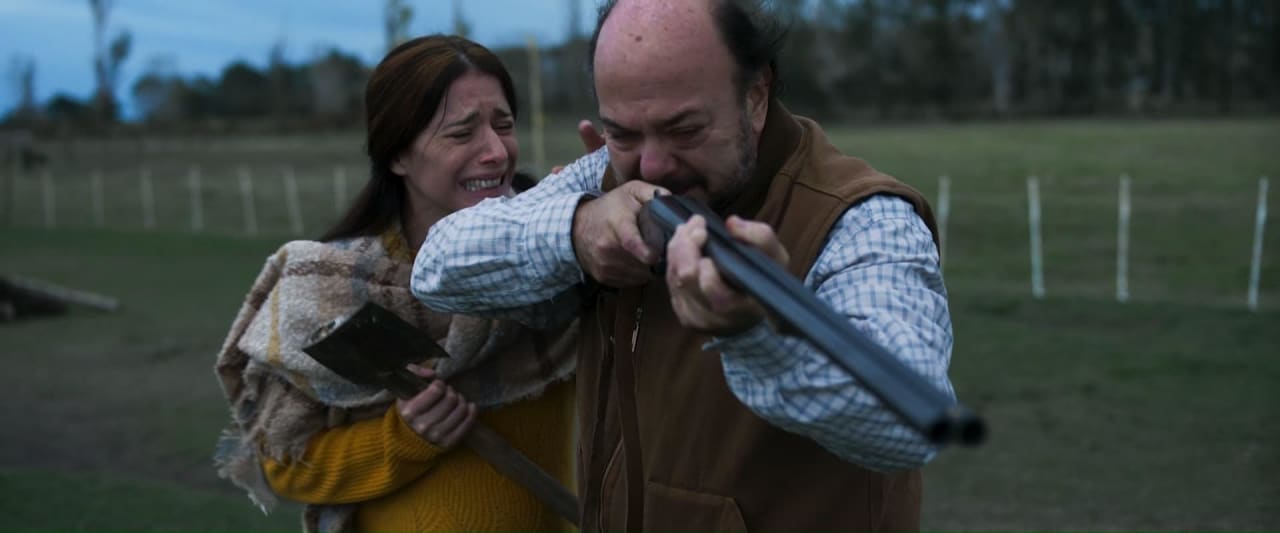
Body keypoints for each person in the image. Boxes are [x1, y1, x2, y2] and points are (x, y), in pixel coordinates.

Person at [412, 1, 959, 531]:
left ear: (757, 96)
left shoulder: (864, 217)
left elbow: (912, 423)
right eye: (622, 132)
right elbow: (437, 266)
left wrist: (755, 336)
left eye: (685, 129)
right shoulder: (607, 176)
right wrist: (577, 231)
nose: (652, 165)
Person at [213, 35, 578, 533]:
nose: (495, 151)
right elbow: (284, 461)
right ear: (398, 154)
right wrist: (403, 438)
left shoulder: (559, 261)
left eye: (504, 125)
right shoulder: (330, 288)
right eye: (461, 132)